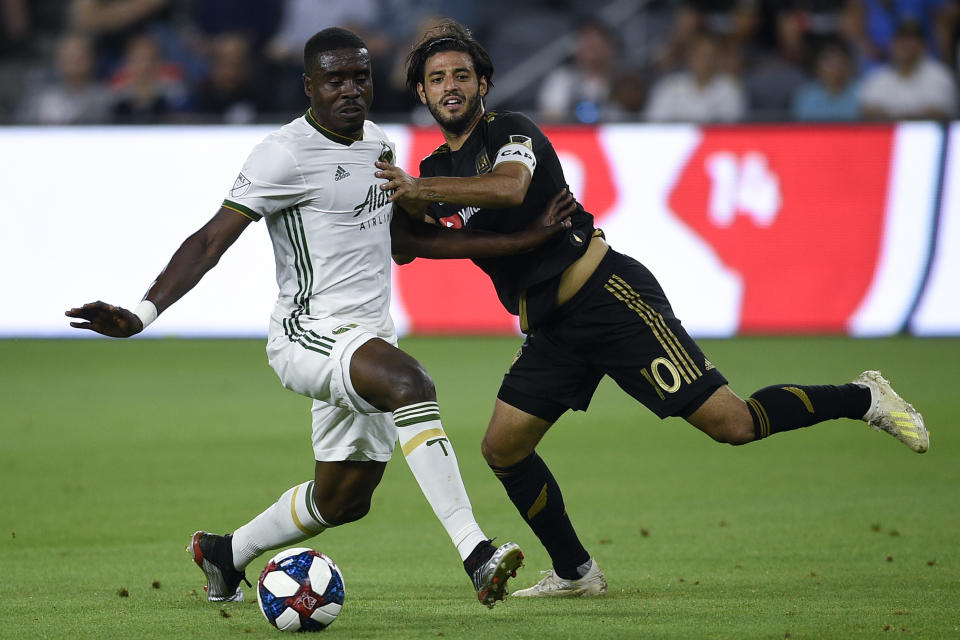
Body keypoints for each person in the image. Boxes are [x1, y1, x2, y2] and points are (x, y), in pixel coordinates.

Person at [375, 19, 930, 598]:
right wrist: (425, 210)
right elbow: (409, 247)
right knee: (503, 448)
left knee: (733, 425)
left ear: (483, 82)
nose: (450, 86)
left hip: (609, 297)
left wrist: (419, 191)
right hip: (551, 328)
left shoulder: (512, 131)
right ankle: (576, 573)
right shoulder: (436, 171)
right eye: (437, 79)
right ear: (422, 93)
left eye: (462, 74)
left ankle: (864, 398)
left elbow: (511, 187)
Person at [66, 27, 577, 608]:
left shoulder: (379, 145)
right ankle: (476, 552)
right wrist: (141, 312)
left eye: (360, 76)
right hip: (306, 332)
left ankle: (225, 552)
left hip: (367, 339)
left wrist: (523, 242)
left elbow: (410, 242)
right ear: (310, 86)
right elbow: (210, 241)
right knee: (412, 384)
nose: (351, 89)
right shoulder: (282, 154)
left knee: (344, 501)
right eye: (334, 80)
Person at [858, 18, 957, 120]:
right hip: (887, 135)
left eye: (912, 40)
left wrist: (892, 114)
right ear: (892, 44)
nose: (907, 45)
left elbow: (939, 113)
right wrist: (916, 113)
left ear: (924, 45)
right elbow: (869, 112)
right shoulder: (877, 77)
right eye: (902, 40)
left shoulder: (941, 76)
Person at [644, 30, 746, 123]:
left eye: (708, 55)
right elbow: (654, 123)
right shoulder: (669, 86)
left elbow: (733, 128)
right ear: (689, 57)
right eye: (699, 55)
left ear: (717, 58)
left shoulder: (729, 88)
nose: (703, 60)